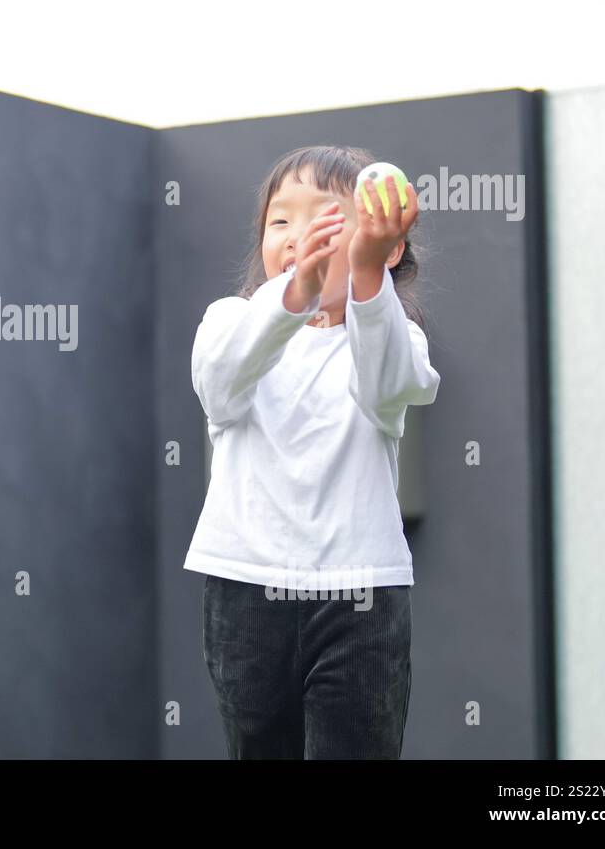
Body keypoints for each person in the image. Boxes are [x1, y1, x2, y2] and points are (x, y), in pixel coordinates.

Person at [183, 144, 440, 759]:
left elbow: (389, 386)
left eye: (327, 218)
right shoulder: (230, 322)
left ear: (386, 245)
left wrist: (369, 279)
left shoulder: (394, 337)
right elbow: (221, 382)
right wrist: (296, 293)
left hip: (362, 597)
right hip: (244, 588)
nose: (301, 236)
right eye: (281, 221)